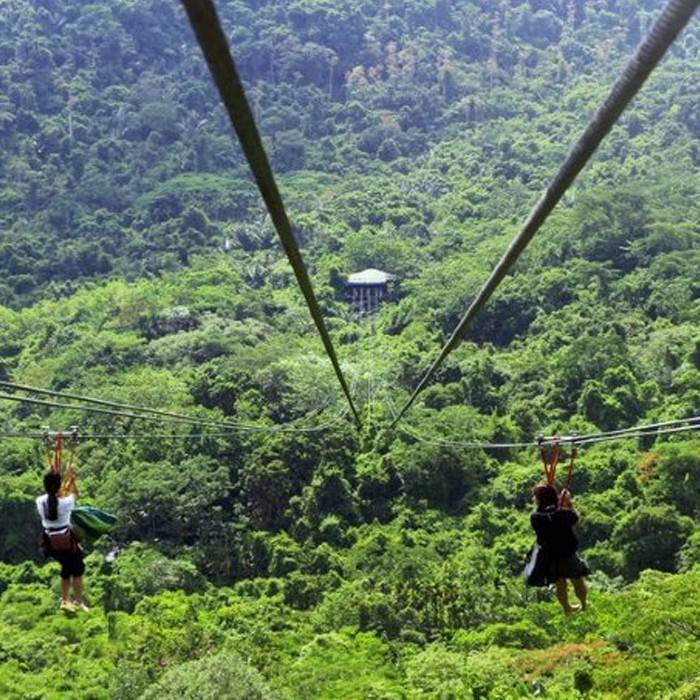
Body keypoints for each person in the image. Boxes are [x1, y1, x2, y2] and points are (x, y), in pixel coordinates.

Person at [530, 483, 589, 615]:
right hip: (567, 553)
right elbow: (575, 517)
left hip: (550, 556)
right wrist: (567, 503)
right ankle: (583, 604)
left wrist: (558, 505)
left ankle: (567, 608)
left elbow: (544, 513)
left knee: (559, 583)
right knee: (577, 579)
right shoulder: (562, 513)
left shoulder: (536, 517)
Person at [36, 463, 88, 612]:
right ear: (59, 487)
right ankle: (78, 600)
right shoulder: (65, 503)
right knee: (78, 569)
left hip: (50, 543)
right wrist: (71, 477)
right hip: (66, 541)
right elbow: (75, 493)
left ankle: (65, 600)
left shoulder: (40, 501)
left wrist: (53, 475)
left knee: (66, 568)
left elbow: (52, 497)